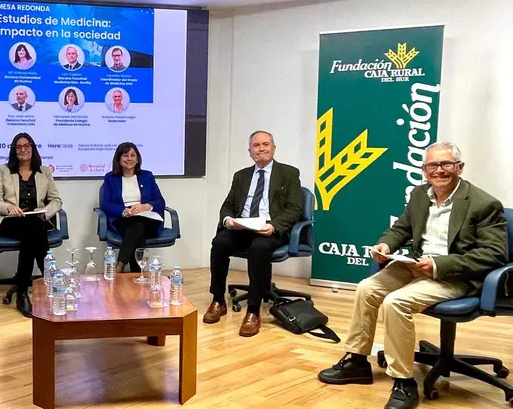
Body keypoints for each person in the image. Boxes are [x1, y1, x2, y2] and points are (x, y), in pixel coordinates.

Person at [318, 142, 508, 409]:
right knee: (366, 288)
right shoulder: (420, 195)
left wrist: (440, 264)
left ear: (459, 167)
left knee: (396, 302)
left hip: (453, 274)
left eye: (446, 164)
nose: (439, 171)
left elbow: (494, 254)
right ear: (424, 170)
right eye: (432, 165)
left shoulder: (484, 204)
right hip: (415, 265)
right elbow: (401, 228)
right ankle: (357, 362)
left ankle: (404, 382)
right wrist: (386, 245)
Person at [204, 130, 302, 337]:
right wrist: (228, 220)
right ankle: (218, 300)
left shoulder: (289, 173)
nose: (262, 148)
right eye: (256, 146)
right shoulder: (241, 176)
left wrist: (274, 225)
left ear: (274, 148)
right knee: (220, 242)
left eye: (266, 144)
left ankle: (253, 310)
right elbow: (228, 205)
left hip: (269, 228)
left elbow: (294, 209)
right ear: (250, 152)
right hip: (244, 226)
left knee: (259, 247)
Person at [0, 133, 62, 317]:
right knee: (33, 229)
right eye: (19, 146)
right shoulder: (4, 170)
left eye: (26, 146)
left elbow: (56, 200)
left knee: (32, 228)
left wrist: (46, 212)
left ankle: (22, 292)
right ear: (14, 150)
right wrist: (9, 207)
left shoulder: (44, 171)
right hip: (10, 221)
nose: (23, 149)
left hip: (36, 220)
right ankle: (50, 279)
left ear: (33, 148)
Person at [100, 142, 166, 272]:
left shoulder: (147, 176)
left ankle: (119, 266)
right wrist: (124, 211)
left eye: (133, 155)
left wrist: (146, 206)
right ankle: (136, 275)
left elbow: (160, 201)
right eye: (125, 155)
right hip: (124, 218)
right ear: (119, 159)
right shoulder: (110, 178)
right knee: (137, 229)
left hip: (148, 218)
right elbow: (105, 204)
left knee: (138, 225)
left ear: (137, 159)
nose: (129, 159)